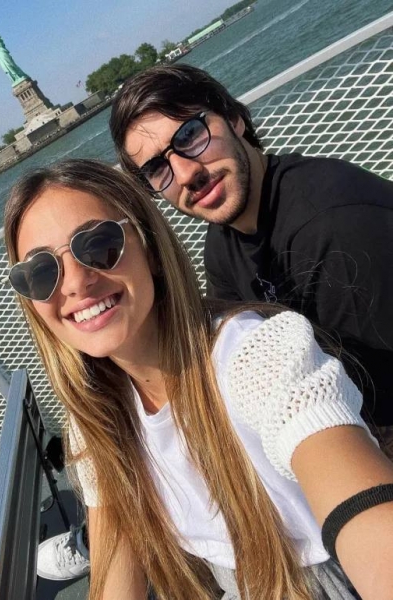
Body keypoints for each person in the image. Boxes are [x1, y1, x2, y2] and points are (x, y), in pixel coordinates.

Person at [4, 158, 393, 599]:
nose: (76, 283)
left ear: (150, 248)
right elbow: (116, 570)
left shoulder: (255, 355)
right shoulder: (97, 419)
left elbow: (362, 509)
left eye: (98, 244)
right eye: (41, 272)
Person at [109, 64, 393, 455]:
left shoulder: (333, 226)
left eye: (190, 135)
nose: (186, 173)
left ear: (234, 119)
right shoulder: (222, 245)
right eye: (158, 168)